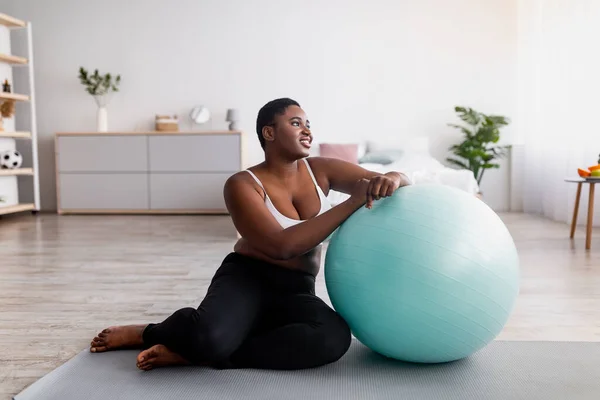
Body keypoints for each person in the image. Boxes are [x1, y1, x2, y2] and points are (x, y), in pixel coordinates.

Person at [89, 98, 411, 371]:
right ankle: (149, 332)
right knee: (210, 337)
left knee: (333, 338)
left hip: (296, 289)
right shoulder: (241, 184)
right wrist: (354, 201)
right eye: (296, 123)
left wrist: (394, 176)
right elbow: (283, 246)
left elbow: (395, 182)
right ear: (269, 132)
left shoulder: (322, 170)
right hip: (247, 279)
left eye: (308, 123)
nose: (307, 130)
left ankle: (194, 354)